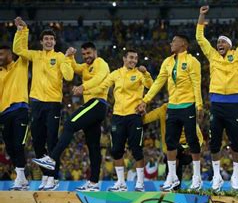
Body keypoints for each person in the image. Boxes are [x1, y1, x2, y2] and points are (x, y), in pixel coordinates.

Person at [32, 42, 110, 192]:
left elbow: (99, 78)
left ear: (95, 52)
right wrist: (70, 56)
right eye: (84, 54)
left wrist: (83, 87)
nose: (86, 57)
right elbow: (75, 67)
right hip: (93, 107)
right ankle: (94, 183)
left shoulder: (101, 63)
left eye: (89, 53)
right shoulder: (86, 67)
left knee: (69, 124)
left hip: (97, 103)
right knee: (93, 146)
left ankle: (51, 159)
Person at [12, 17, 74, 191]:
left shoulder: (60, 57)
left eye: (51, 39)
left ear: (54, 42)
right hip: (37, 103)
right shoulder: (36, 55)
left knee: (52, 141)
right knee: (38, 142)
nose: (48, 41)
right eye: (46, 39)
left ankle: (52, 178)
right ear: (41, 42)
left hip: (53, 104)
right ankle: (46, 175)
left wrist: (68, 59)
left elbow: (68, 77)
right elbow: (17, 49)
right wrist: (21, 30)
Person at [136, 35, 203, 191]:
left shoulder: (193, 62)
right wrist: (145, 100)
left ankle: (197, 177)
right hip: (172, 106)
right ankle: (171, 177)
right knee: (170, 143)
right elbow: (159, 82)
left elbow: (196, 84)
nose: (171, 43)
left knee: (192, 140)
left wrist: (199, 105)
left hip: (188, 104)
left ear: (184, 44)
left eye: (174, 41)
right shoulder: (167, 62)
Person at [196, 4, 238, 191]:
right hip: (217, 104)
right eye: (218, 42)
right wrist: (201, 17)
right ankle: (217, 176)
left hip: (234, 104)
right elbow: (200, 38)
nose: (219, 44)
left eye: (223, 42)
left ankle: (235, 177)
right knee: (215, 142)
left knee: (237, 142)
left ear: (230, 46)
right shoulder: (212, 56)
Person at [86, 49, 153, 192]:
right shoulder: (115, 74)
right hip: (118, 116)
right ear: (124, 58)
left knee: (136, 150)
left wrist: (146, 73)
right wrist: (86, 90)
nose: (133, 61)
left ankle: (140, 183)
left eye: (135, 58)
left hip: (134, 116)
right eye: (130, 58)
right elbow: (103, 85)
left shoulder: (140, 74)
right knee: (116, 150)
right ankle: (121, 183)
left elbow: (150, 86)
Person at [142, 103, 204, 190]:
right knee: (172, 154)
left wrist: (192, 148)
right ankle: (174, 185)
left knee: (174, 153)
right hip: (172, 148)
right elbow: (146, 119)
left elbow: (199, 136)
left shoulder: (185, 109)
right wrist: (136, 114)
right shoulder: (163, 109)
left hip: (186, 150)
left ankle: (172, 182)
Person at [0, 44, 29, 190]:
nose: (0, 57)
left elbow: (23, 48)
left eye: (2, 54)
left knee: (19, 144)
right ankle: (22, 178)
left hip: (20, 109)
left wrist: (21, 31)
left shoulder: (21, 65)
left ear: (10, 55)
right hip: (3, 114)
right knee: (10, 147)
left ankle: (20, 176)